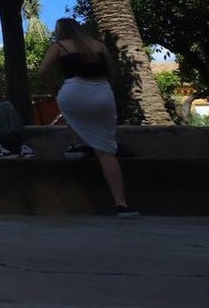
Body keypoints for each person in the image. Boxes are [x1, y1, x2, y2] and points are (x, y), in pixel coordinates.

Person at [37, 18, 138, 219]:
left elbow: (42, 71)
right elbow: (111, 72)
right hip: (101, 92)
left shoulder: (59, 46)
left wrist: (58, 81)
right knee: (106, 151)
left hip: (73, 91)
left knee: (68, 108)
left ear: (60, 31)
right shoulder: (98, 46)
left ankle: (78, 144)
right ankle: (121, 203)